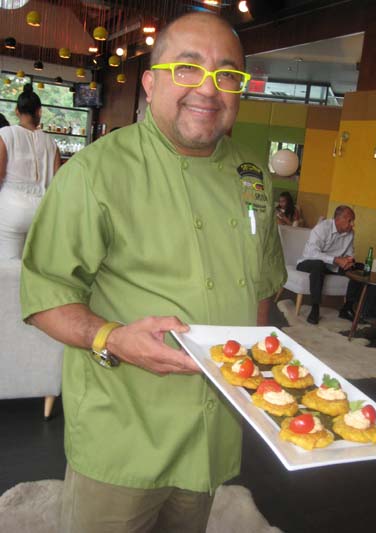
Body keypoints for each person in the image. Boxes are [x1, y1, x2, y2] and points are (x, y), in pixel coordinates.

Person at [20, 13, 286, 533]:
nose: (207, 89)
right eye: (187, 68)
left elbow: (262, 286)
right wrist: (111, 337)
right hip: (124, 432)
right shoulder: (96, 173)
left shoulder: (253, 174)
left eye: (226, 75)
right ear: (150, 80)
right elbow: (44, 293)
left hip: (211, 433)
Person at [0, 84, 60, 259]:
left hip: (12, 209)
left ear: (17, 111)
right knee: (35, 265)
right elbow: (57, 181)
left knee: (8, 265)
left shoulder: (5, 134)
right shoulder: (51, 142)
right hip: (42, 211)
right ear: (39, 111)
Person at [296, 205, 355, 324]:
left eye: (353, 221)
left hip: (331, 265)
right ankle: (315, 308)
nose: (352, 224)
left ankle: (347, 308)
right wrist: (336, 260)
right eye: (350, 221)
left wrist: (349, 261)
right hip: (308, 261)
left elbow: (349, 253)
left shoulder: (350, 233)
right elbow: (312, 252)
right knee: (319, 265)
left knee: (358, 269)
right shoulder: (322, 228)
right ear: (338, 219)